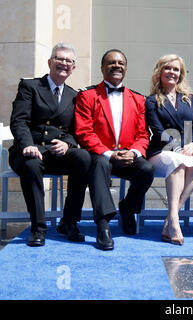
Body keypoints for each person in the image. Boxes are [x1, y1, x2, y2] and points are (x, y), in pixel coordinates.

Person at [9, 43, 91, 247]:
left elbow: (75, 131)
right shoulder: (30, 87)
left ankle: (69, 222)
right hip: (29, 150)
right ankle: (38, 227)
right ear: (50, 62)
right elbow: (19, 121)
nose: (63, 63)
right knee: (31, 164)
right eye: (59, 59)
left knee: (83, 158)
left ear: (73, 67)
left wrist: (68, 144)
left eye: (68, 61)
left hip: (56, 153)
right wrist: (28, 144)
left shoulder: (75, 95)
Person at [75, 49, 154, 251]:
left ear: (126, 69)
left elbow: (143, 134)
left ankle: (128, 209)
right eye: (111, 63)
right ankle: (103, 225)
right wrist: (110, 154)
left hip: (128, 156)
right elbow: (84, 132)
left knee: (146, 170)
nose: (116, 66)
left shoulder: (138, 99)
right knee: (100, 164)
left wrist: (134, 152)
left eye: (121, 63)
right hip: (101, 156)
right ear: (102, 68)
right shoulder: (87, 95)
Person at [146, 54, 193, 245]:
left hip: (188, 149)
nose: (172, 72)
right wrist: (177, 148)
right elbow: (158, 130)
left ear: (181, 74)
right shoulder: (152, 101)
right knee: (177, 163)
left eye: (176, 69)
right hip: (160, 152)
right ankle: (175, 223)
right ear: (160, 71)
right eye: (168, 68)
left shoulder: (192, 98)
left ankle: (170, 219)